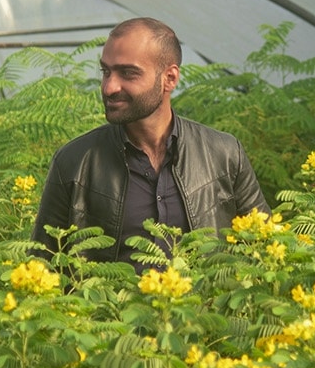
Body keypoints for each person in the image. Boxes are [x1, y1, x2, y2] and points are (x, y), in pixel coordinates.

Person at [32, 17, 266, 264]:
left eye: (128, 73)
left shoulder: (224, 154)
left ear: (170, 78)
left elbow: (264, 244)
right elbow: (42, 263)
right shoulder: (74, 161)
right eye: (106, 71)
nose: (109, 87)